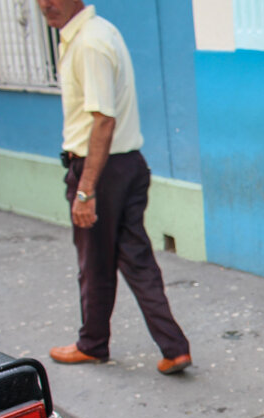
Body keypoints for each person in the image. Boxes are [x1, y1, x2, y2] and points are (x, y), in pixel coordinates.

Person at [39, 0, 192, 374]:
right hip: (125, 164)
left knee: (94, 262)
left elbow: (103, 120)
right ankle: (174, 348)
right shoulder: (98, 32)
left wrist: (86, 189)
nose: (45, 5)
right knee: (136, 259)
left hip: (102, 167)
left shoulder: (89, 42)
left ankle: (92, 344)